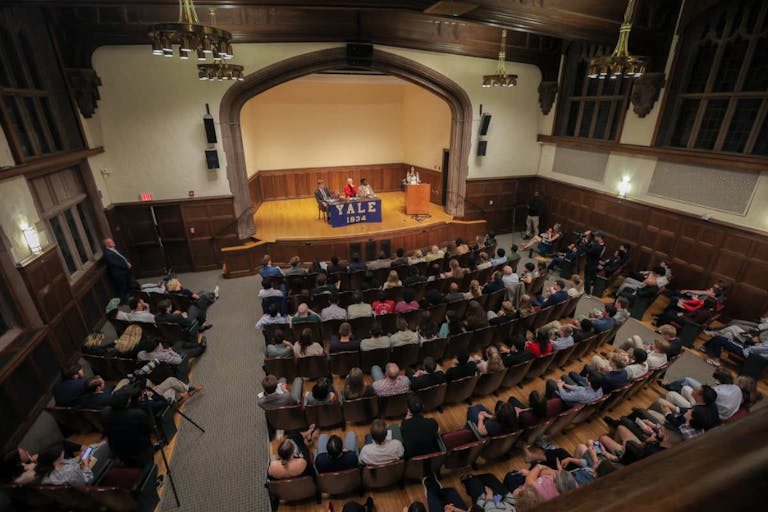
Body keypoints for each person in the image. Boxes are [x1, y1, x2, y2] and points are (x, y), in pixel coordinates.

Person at [102, 386, 155, 467]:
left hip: (119, 450)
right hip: (140, 451)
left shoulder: (105, 412)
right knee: (147, 465)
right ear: (127, 401)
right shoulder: (137, 414)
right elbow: (150, 428)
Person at [102, 238, 132, 304]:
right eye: (111, 242)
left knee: (127, 285)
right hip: (119, 273)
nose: (113, 242)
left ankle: (129, 297)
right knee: (122, 288)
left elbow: (121, 257)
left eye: (112, 241)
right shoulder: (107, 253)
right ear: (107, 244)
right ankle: (125, 302)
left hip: (124, 271)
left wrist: (127, 262)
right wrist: (126, 266)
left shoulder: (114, 249)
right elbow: (115, 263)